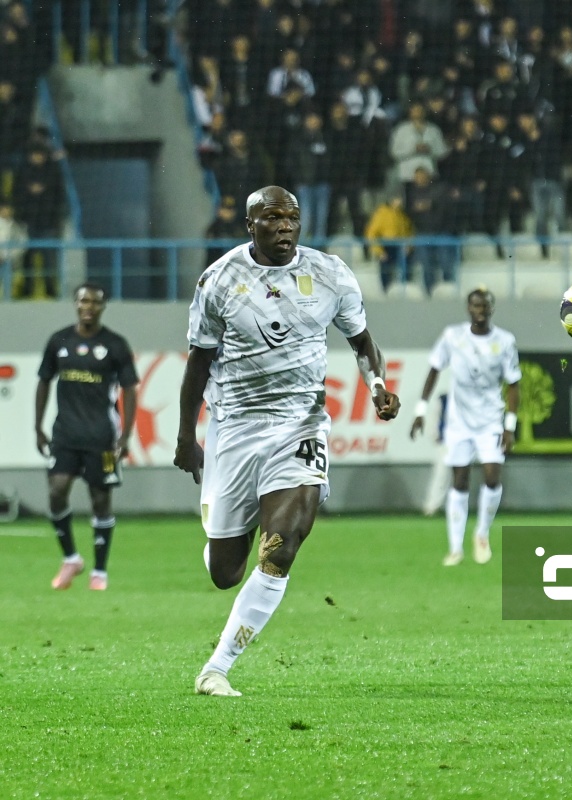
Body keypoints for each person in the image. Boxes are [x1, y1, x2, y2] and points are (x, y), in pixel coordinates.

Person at [174, 186, 400, 698]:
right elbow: (198, 363)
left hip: (301, 423)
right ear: (249, 225)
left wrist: (378, 386)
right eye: (272, 218)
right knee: (225, 572)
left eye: (292, 218)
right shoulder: (219, 280)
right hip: (235, 428)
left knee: (281, 546)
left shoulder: (330, 274)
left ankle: (217, 667)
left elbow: (362, 341)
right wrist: (187, 437)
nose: (284, 226)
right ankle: (228, 529)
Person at [35, 284, 139, 591]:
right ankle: (71, 558)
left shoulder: (115, 345)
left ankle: (100, 572)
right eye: (83, 301)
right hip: (65, 435)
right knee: (57, 490)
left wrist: (125, 436)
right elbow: (43, 381)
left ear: (103, 306)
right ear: (75, 303)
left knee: (101, 500)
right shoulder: (59, 341)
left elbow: (130, 389)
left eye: (95, 302)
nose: (88, 306)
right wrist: (37, 427)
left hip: (103, 438)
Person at [410, 289, 520, 566]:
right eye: (475, 305)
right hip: (459, 423)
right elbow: (434, 370)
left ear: (492, 308)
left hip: (490, 420)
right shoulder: (452, 336)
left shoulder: (505, 341)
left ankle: (481, 534)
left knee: (492, 476)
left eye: (484, 306)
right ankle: (456, 547)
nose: (480, 310)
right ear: (468, 308)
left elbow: (513, 384)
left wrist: (509, 426)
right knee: (459, 481)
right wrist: (420, 410)